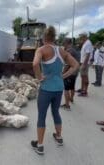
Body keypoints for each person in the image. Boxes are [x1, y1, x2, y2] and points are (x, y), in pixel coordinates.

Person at [31, 26, 79, 155]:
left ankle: (40, 146)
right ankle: (59, 137)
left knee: (42, 115)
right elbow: (75, 65)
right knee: (56, 112)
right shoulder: (62, 51)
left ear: (44, 38)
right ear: (54, 37)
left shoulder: (41, 50)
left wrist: (39, 77)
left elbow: (35, 64)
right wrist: (63, 76)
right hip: (58, 88)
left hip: (46, 89)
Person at [61, 38, 80, 111]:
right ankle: (71, 98)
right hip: (75, 72)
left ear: (67, 43)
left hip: (70, 72)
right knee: (72, 86)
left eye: (64, 43)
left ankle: (67, 105)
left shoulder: (69, 51)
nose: (63, 44)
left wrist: (63, 73)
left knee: (66, 89)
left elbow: (67, 64)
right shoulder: (75, 49)